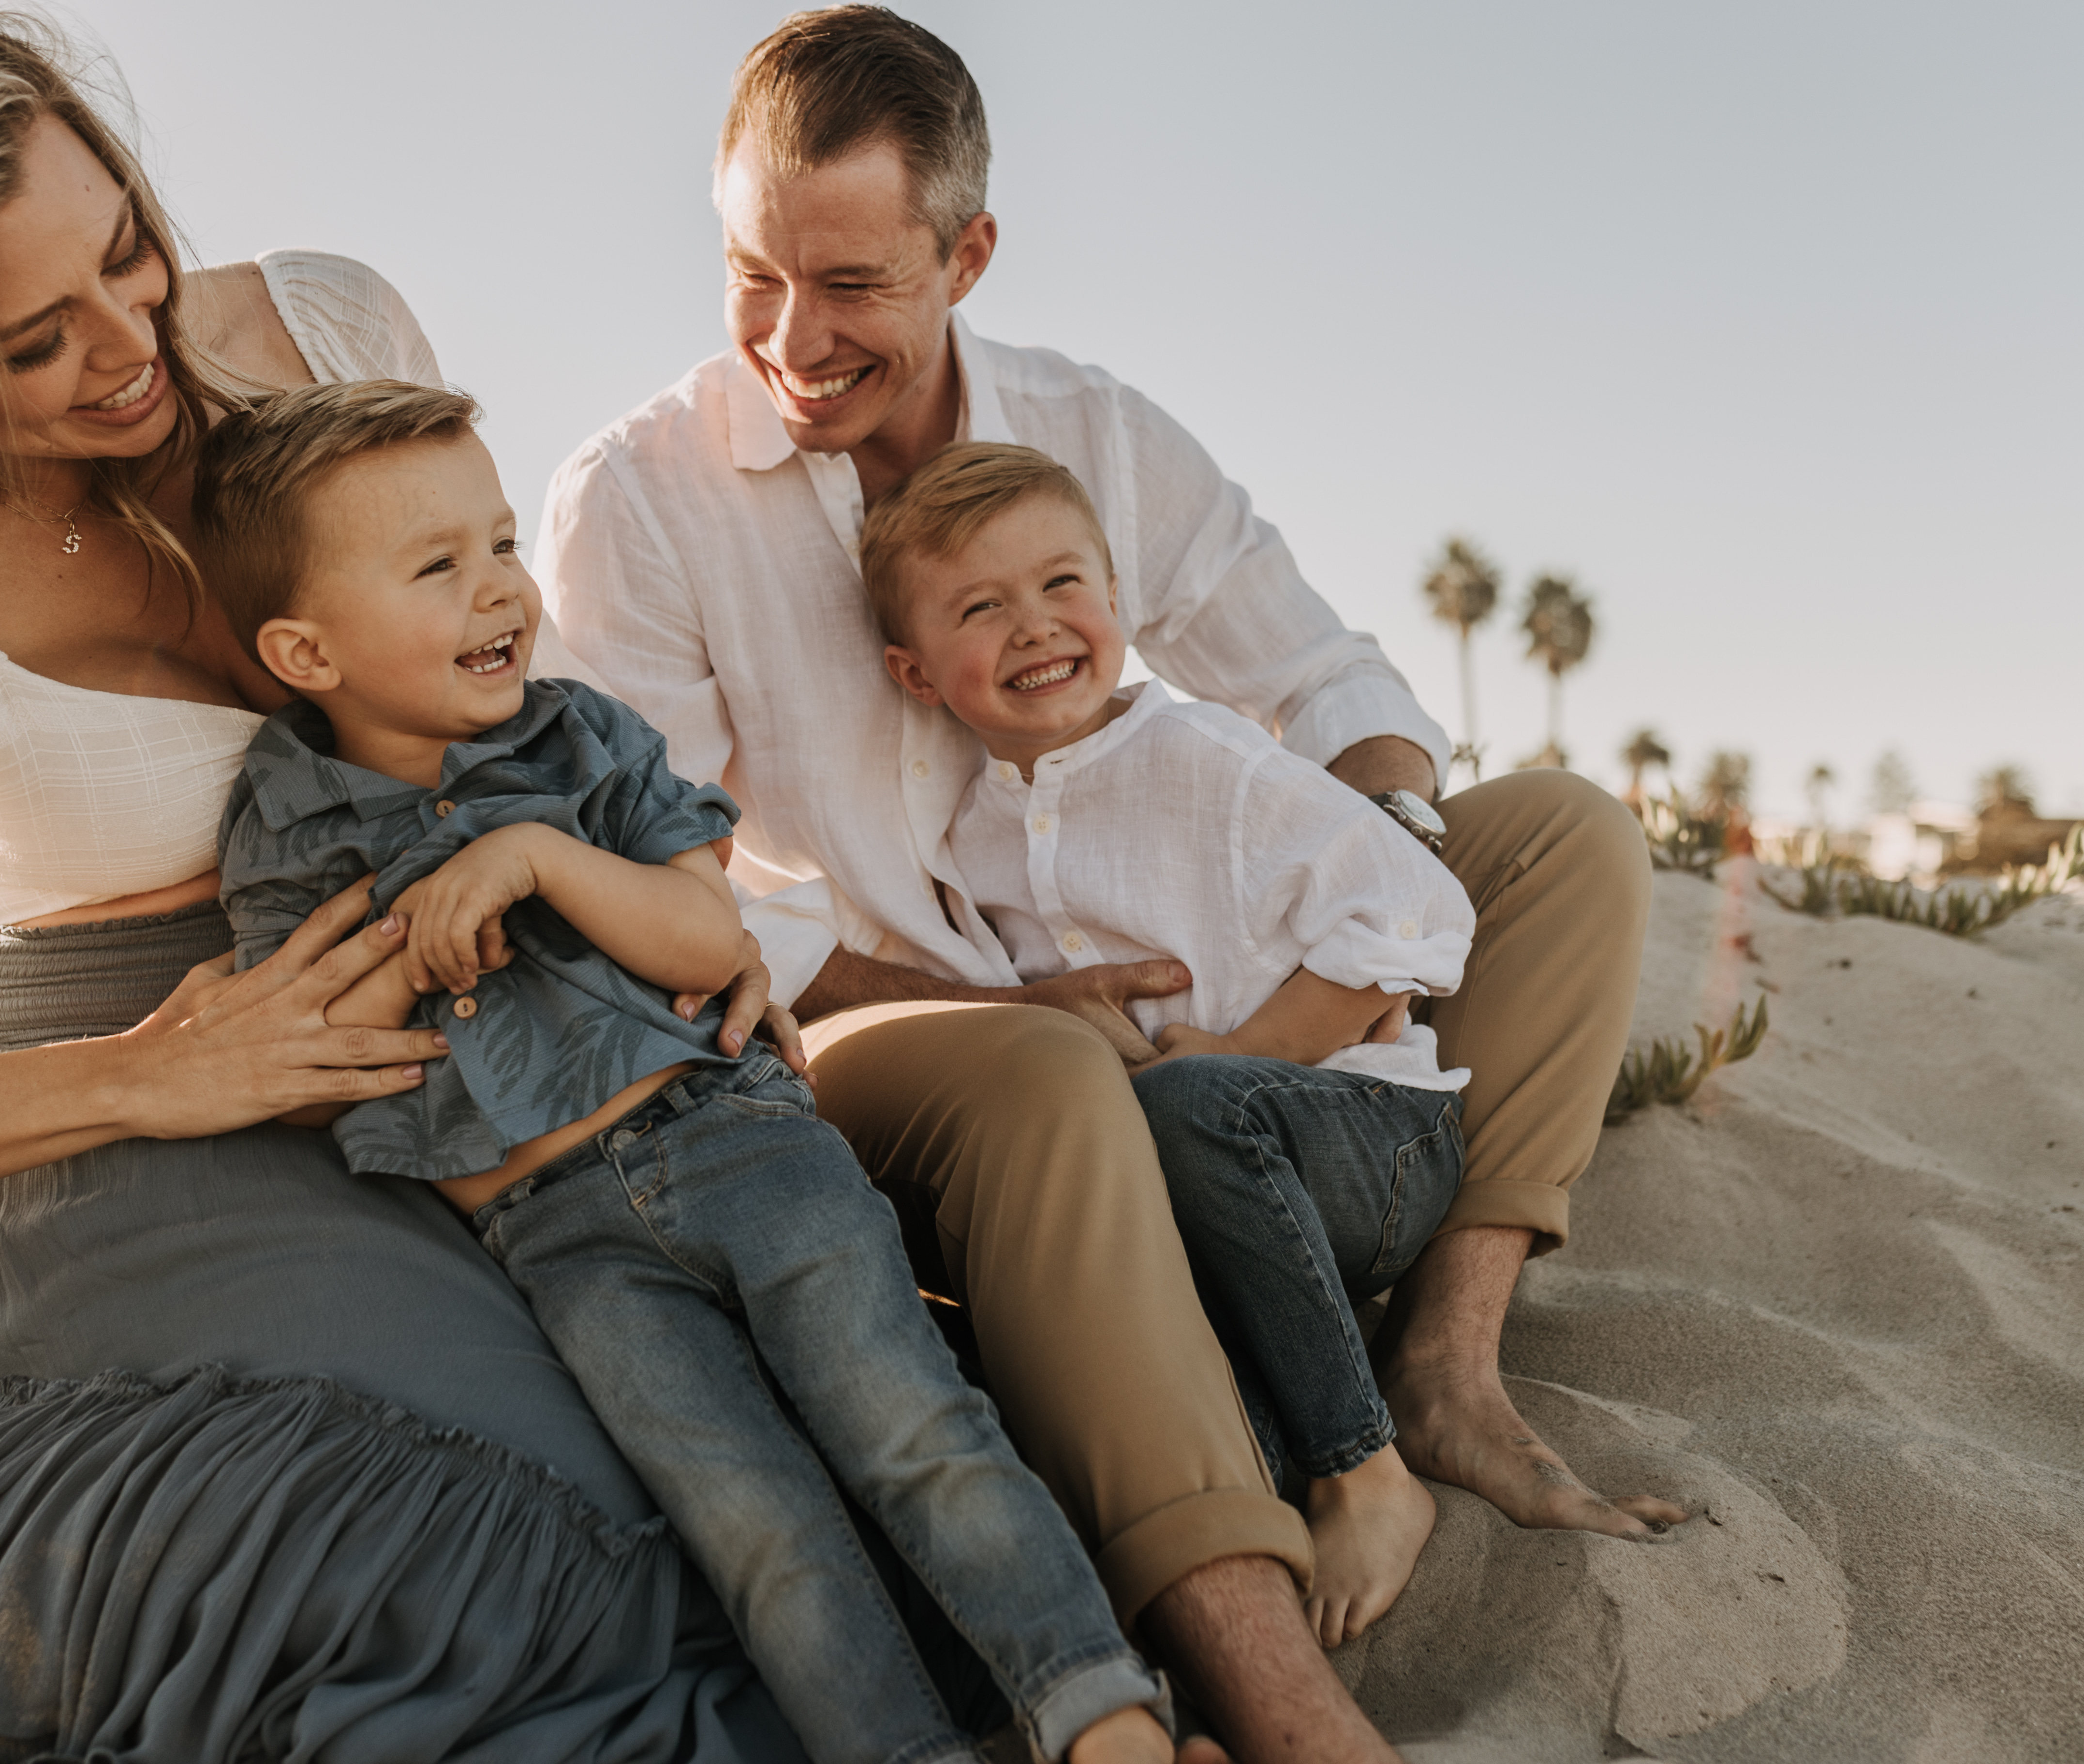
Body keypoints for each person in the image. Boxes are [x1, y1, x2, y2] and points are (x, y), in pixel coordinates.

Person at [0, 7, 808, 1758]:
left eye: (130, 251)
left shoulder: (325, 324)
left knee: (761, 1499)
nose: (131, 342)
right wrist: (156, 1071)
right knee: (531, 1558)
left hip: (448, 1066)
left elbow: (508, 702)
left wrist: (658, 908)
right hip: (101, 1147)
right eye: (31, 341)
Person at [538, 7, 1687, 1752]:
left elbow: (1321, 678)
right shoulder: (638, 496)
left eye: (848, 283)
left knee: (1565, 839)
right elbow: (677, 880)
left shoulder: (1096, 432)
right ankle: (1276, 1690)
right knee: (1051, 1066)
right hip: (870, 1016)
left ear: (966, 252)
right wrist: (997, 1004)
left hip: (1191, 1027)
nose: (790, 335)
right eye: (749, 272)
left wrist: (1373, 859)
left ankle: (1447, 1360)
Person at [193, 379, 1175, 1764]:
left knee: (913, 1427)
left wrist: (533, 857)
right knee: (758, 1531)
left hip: (731, 1140)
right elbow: (306, 1049)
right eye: (439, 567)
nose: (499, 594)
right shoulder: (286, 821)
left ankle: (1100, 1714)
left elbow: (706, 934)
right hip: (557, 1241)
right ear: (304, 651)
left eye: (500, 546)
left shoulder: (580, 739)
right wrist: (417, 947)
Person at [862, 441, 1476, 1651]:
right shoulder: (968, 840)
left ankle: (1370, 1471)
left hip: (1364, 1141)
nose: (1035, 627)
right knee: (1145, 1343)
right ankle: (1249, 1520)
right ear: (915, 672)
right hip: (1203, 1204)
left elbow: (1407, 904)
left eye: (1062, 586)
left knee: (1186, 1110)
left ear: (1120, 605)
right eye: (980, 608)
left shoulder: (1205, 757)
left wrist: (1242, 1053)